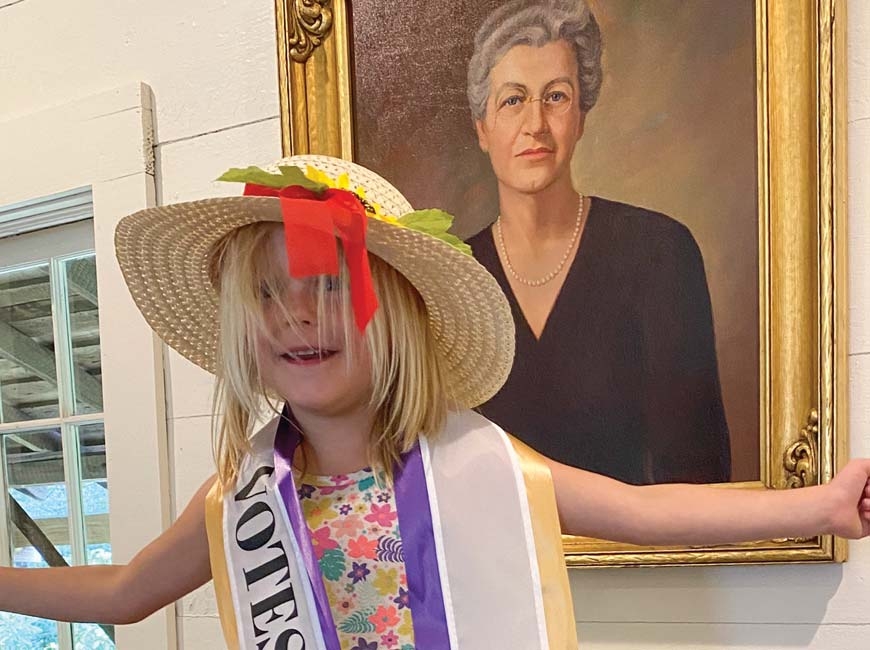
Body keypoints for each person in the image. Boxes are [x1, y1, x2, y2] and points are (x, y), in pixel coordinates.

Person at [0, 155, 868, 650]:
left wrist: (822, 503)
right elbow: (122, 592)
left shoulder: (481, 462)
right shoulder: (240, 497)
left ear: (397, 313)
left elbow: (643, 509)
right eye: (267, 295)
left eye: (325, 286)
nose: (295, 315)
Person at [465, 0, 732, 485]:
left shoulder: (660, 254)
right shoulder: (452, 275)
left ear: (583, 116)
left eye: (557, 97)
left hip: (641, 559)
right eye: (512, 99)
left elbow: (699, 478)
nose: (536, 125)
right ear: (482, 129)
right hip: (493, 562)